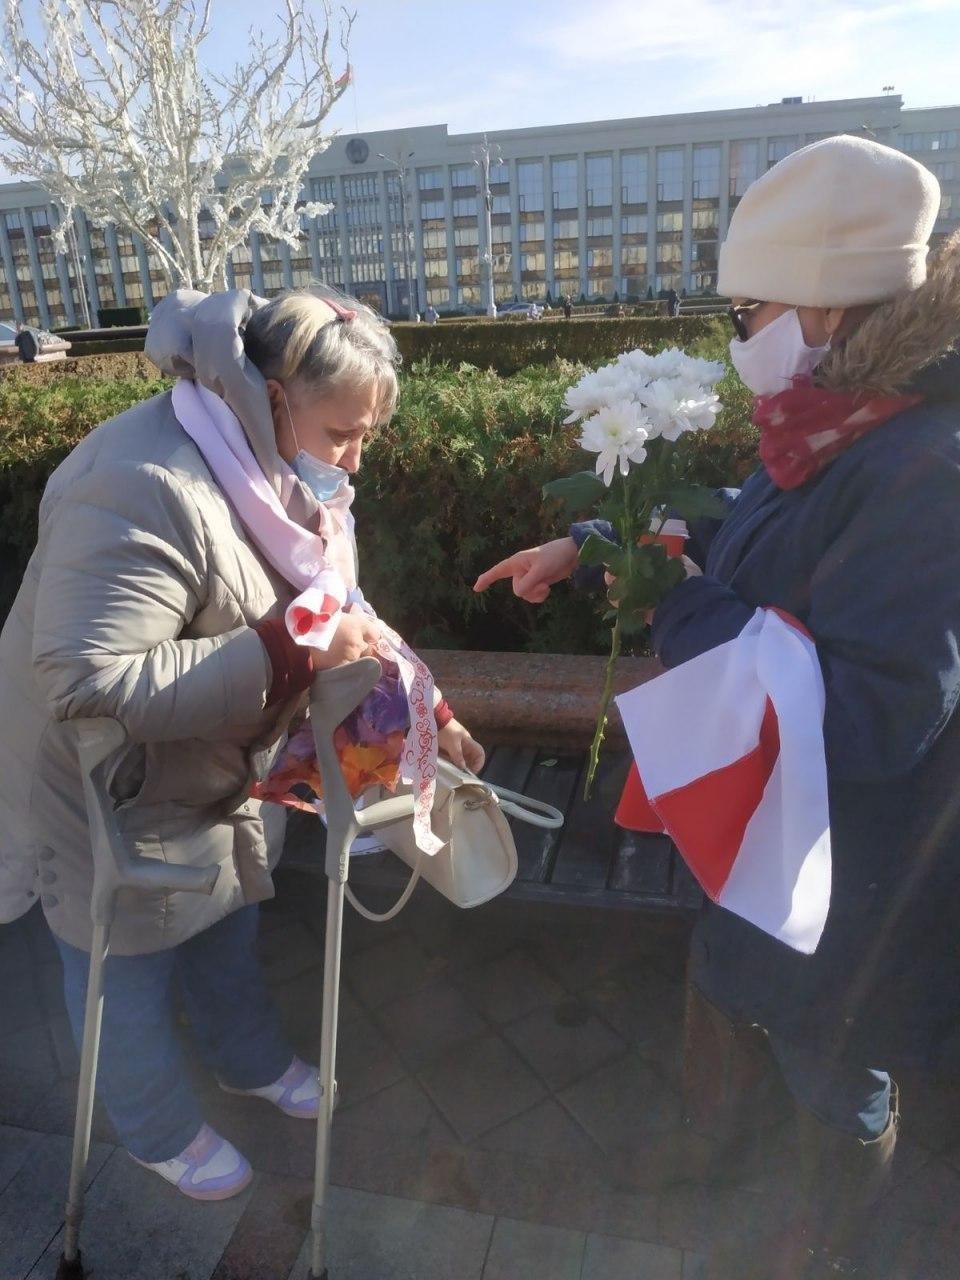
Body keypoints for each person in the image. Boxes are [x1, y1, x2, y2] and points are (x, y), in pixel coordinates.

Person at [474, 136, 960, 1278]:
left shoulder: (927, 467)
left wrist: (681, 611)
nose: (737, 341)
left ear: (827, 309)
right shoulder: (850, 427)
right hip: (784, 847)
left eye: (749, 312)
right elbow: (751, 539)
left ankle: (838, 1235)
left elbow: (876, 716)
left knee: (834, 1067)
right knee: (776, 1029)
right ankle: (760, 1180)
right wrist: (593, 544)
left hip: (852, 887)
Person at [0, 285, 483, 1201]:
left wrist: (432, 709)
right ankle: (151, 1129)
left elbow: (341, 607)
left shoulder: (272, 469)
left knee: (228, 912)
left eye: (365, 436)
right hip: (104, 781)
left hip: (217, 759)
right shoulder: (141, 485)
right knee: (123, 961)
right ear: (272, 397)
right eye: (342, 433)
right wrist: (288, 649)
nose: (354, 460)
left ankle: (246, 1059)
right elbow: (84, 681)